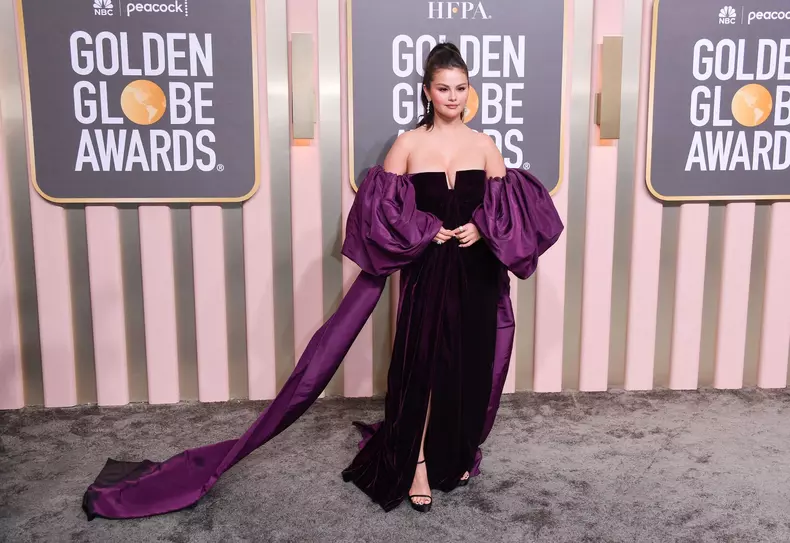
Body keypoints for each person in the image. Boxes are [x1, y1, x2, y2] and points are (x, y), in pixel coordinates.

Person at [81, 42, 563, 520]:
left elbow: (507, 213)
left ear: (468, 90)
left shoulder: (485, 145)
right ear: (427, 91)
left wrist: (480, 228)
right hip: (428, 273)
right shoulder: (409, 144)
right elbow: (379, 215)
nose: (453, 96)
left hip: (476, 272)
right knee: (423, 369)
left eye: (460, 87)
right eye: (443, 88)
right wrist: (423, 229)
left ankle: (453, 454)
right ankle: (414, 464)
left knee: (470, 366)